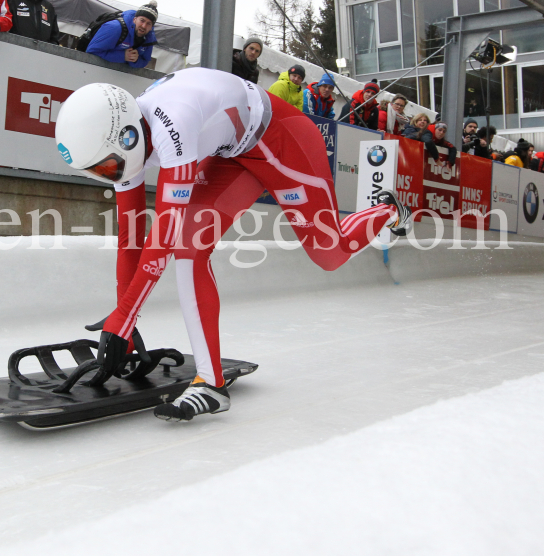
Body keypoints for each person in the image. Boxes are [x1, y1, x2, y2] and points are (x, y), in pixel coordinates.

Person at [53, 68, 412, 421]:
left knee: (329, 252)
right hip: (232, 152)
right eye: (96, 172)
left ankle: (387, 211)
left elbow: (162, 234)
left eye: (104, 167)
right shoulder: (121, 145)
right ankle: (210, 384)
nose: (107, 174)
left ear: (128, 138)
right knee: (190, 249)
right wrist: (123, 321)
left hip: (282, 139)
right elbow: (130, 239)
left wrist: (124, 319)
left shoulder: (172, 126)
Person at [85, 1, 158, 68]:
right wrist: (123, 56)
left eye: (149, 23)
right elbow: (92, 50)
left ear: (152, 27)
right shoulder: (114, 28)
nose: (144, 26)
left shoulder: (149, 38)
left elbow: (145, 61)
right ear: (134, 19)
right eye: (142, 20)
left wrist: (135, 60)